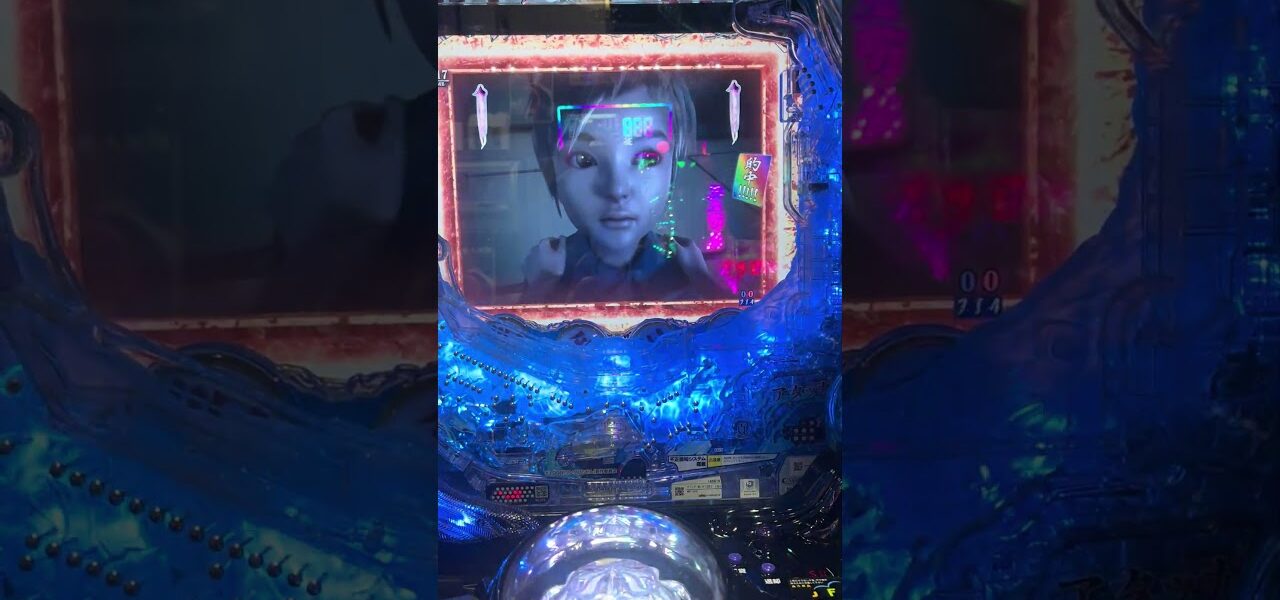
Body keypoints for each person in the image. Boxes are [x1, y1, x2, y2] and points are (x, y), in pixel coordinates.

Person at [520, 73, 727, 304]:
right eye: (584, 160)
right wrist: (539, 290)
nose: (617, 189)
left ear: (673, 163)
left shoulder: (682, 264)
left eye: (647, 158)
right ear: (551, 168)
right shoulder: (551, 266)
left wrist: (702, 281)